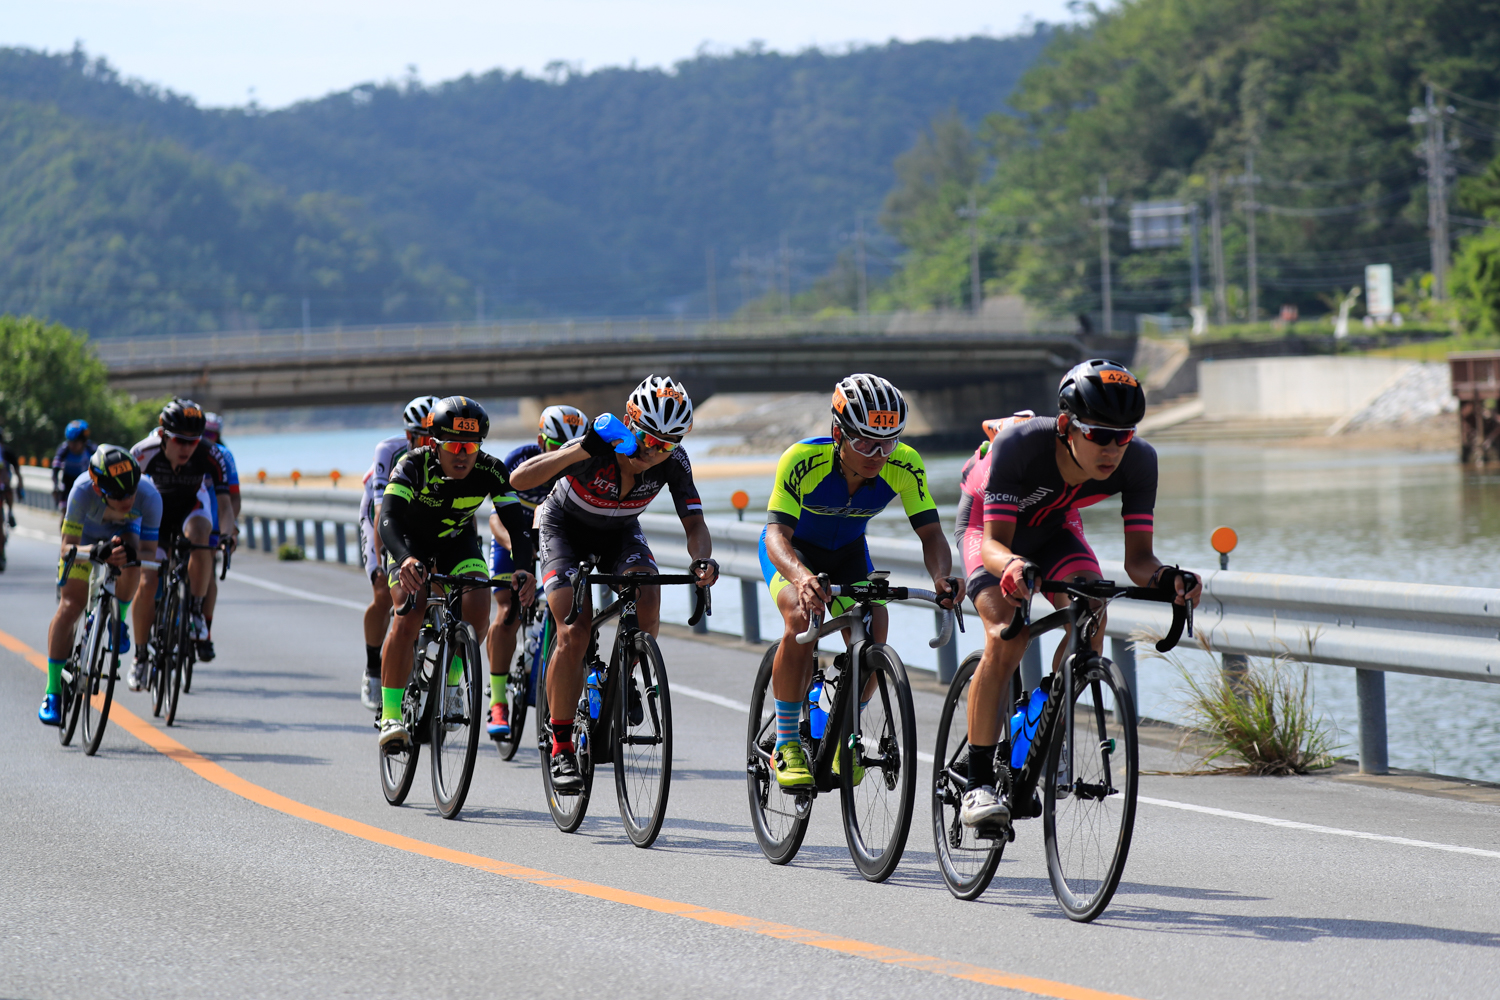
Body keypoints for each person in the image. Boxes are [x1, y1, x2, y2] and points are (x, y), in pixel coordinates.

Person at [959, 359, 1201, 829]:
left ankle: (1048, 719)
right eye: (1100, 435)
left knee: (1092, 609)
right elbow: (992, 544)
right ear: (1067, 425)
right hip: (989, 532)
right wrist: (1010, 566)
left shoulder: (1139, 461)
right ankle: (977, 782)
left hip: (1053, 527)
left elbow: (1139, 563)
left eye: (1124, 434)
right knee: (1007, 637)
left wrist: (1171, 578)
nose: (1113, 448)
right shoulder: (1021, 444)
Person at [509, 375, 717, 792]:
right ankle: (562, 746)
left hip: (620, 532)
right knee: (574, 630)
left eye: (667, 444)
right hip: (562, 529)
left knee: (648, 592)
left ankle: (623, 673)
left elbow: (694, 522)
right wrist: (582, 447)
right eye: (647, 439)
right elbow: (519, 480)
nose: (654, 452)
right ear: (628, 423)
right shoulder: (596, 448)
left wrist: (702, 561)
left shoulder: (674, 462)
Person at [759, 373, 960, 789]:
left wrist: (942, 577)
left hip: (849, 552)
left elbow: (932, 534)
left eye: (888, 442)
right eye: (865, 442)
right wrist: (799, 577)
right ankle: (787, 741)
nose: (878, 453)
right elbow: (777, 535)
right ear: (838, 432)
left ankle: (842, 732)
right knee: (800, 618)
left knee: (876, 625)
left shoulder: (905, 464)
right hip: (795, 553)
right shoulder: (801, 460)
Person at [376, 397, 535, 748]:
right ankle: (389, 714)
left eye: (471, 446)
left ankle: (452, 685)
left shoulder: (490, 470)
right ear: (435, 444)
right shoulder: (412, 465)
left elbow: (517, 525)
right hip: (408, 543)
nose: (463, 454)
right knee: (408, 613)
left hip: (455, 542)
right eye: (455, 446)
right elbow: (388, 518)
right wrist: (402, 559)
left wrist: (523, 567)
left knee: (478, 611)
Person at [485, 403, 588, 737]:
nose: (569, 454)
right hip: (515, 536)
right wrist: (519, 550)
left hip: (557, 538)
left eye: (576, 446)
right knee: (508, 612)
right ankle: (498, 701)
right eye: (561, 447)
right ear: (542, 441)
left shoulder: (585, 465)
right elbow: (496, 517)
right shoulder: (519, 461)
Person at [38, 447, 162, 725]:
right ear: (98, 487)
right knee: (71, 606)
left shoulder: (150, 496)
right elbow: (67, 547)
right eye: (118, 496)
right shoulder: (81, 491)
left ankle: (118, 619)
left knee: (132, 562)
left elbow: (148, 553)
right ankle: (53, 692)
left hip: (125, 535)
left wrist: (131, 555)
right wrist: (96, 550)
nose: (128, 499)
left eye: (131, 492)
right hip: (87, 541)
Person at [128, 400, 238, 692]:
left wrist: (227, 535)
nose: (187, 448)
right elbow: (124, 499)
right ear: (163, 435)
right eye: (180, 440)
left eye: (193, 441)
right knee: (148, 580)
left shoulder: (211, 455)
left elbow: (225, 507)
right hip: (156, 515)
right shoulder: (142, 453)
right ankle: (140, 657)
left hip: (191, 508)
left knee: (204, 538)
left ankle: (195, 610)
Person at [356, 396, 438, 711]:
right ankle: (374, 669)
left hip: (424, 520)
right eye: (424, 437)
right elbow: (381, 514)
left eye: (436, 436)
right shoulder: (389, 452)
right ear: (409, 437)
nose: (431, 444)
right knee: (383, 591)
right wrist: (384, 562)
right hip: (383, 515)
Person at [196, 413, 241, 662]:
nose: (206, 440)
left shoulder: (222, 456)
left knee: (208, 571)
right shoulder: (186, 448)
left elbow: (233, 499)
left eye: (212, 435)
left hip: (213, 517)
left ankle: (205, 631)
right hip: (186, 515)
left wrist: (229, 530)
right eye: (204, 435)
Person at [52, 420, 97, 513]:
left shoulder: (92, 449)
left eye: (75, 443)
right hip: (67, 483)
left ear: (83, 441)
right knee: (65, 513)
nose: (72, 446)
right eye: (70, 442)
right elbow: (55, 468)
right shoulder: (64, 449)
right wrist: (55, 486)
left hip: (85, 484)